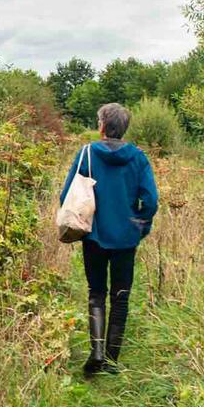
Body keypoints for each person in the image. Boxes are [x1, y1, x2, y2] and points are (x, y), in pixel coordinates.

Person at [58, 102, 159, 373]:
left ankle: (97, 351)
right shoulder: (138, 157)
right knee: (121, 296)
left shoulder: (87, 153)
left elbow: (65, 196)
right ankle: (112, 360)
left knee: (96, 292)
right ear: (124, 128)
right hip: (126, 237)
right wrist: (140, 225)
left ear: (101, 125)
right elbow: (151, 200)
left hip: (95, 236)